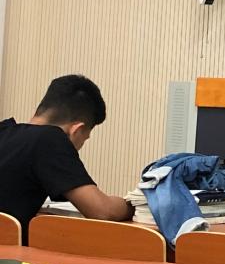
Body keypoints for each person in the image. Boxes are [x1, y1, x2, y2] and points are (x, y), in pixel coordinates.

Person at [0, 74, 132, 238]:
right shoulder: (49, 139)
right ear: (76, 129)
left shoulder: (4, 130)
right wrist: (134, 205)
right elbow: (102, 211)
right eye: (85, 139)